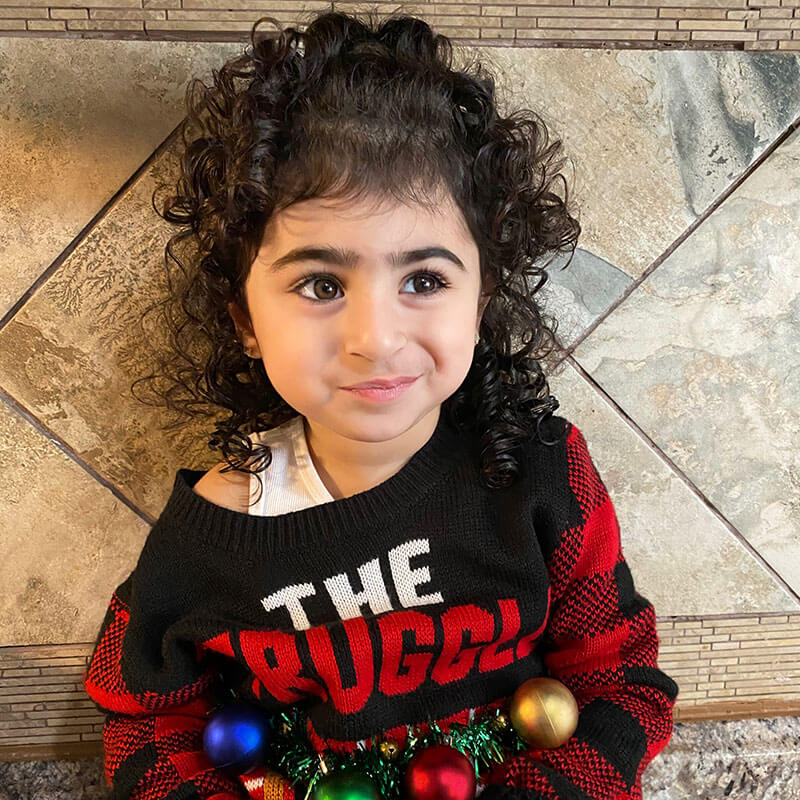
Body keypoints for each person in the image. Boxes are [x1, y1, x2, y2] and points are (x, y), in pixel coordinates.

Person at [83, 8, 679, 800]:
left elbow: (622, 679)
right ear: (245, 321)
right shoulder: (215, 532)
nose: (376, 338)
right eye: (321, 285)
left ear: (481, 297)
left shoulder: (543, 476)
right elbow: (143, 724)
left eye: (424, 280)